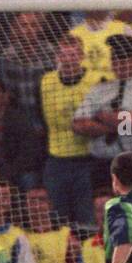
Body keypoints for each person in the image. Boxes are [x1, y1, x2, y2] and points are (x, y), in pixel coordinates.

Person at [40, 34, 104, 225]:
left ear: (81, 55)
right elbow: (49, 119)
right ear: (57, 56)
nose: (67, 59)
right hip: (57, 159)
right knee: (59, 221)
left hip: (89, 159)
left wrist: (96, 127)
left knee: (88, 219)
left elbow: (116, 118)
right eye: (63, 54)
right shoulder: (47, 81)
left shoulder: (97, 80)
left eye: (72, 54)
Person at [74, 33, 132, 163]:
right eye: (114, 58)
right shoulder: (98, 89)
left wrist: (99, 116)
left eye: (124, 58)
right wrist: (114, 123)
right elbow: (77, 125)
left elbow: (131, 123)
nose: (119, 63)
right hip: (101, 163)